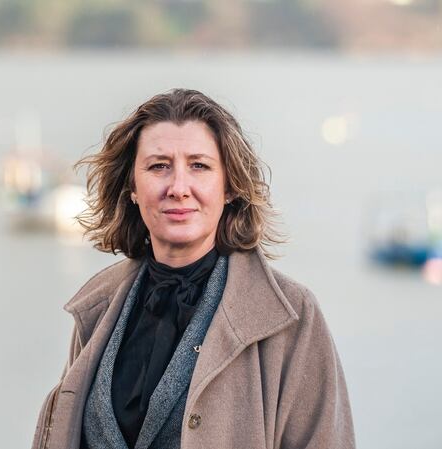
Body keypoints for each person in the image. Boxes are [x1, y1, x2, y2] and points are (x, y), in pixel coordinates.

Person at [32, 89, 354, 449]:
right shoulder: (97, 307)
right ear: (132, 187)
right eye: (159, 166)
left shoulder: (293, 317)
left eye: (199, 166)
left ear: (230, 186)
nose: (178, 188)